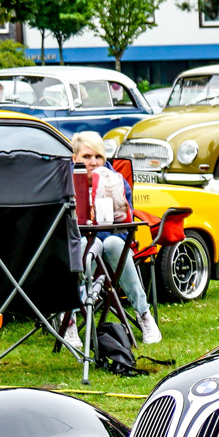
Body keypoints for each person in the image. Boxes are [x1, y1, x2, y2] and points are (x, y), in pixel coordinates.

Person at [70, 132, 162, 345]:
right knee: (84, 245)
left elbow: (123, 225)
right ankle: (70, 319)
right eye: (86, 157)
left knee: (110, 243)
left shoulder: (117, 182)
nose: (93, 162)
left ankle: (143, 314)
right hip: (79, 246)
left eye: (98, 157)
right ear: (74, 159)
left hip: (112, 244)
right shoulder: (64, 184)